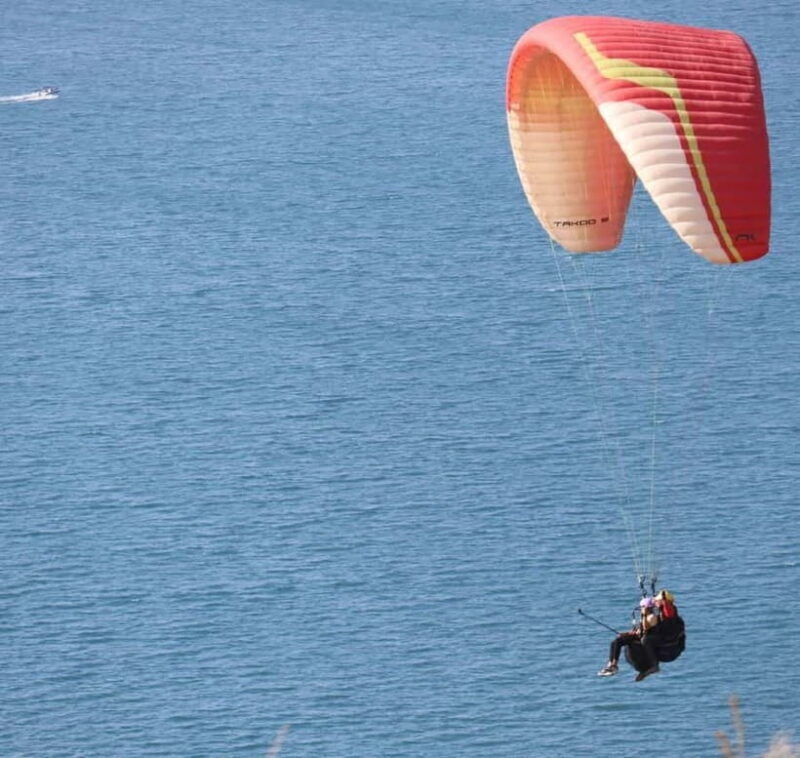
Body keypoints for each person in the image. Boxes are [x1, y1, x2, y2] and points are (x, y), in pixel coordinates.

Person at [597, 597, 660, 679]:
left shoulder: (652, 617)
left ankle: (614, 666)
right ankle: (611, 665)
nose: (640, 609)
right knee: (616, 641)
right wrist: (627, 633)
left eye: (642, 607)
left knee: (619, 642)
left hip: (644, 639)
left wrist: (643, 615)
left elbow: (645, 627)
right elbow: (639, 630)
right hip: (638, 636)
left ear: (647, 607)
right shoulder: (646, 616)